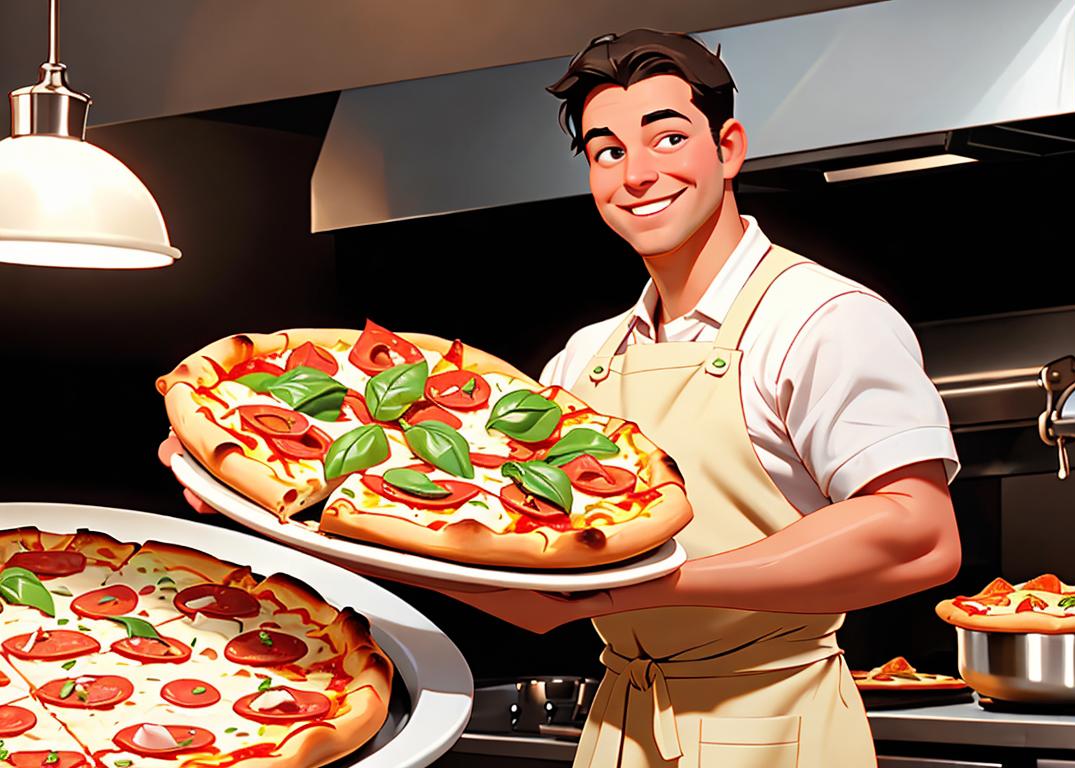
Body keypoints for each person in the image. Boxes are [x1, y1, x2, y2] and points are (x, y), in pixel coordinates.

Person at [161, 28, 962, 767]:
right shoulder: (585, 360)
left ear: (729, 148)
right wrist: (285, 520)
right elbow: (540, 602)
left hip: (779, 727)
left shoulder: (821, 317)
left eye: (669, 138)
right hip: (618, 728)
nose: (637, 173)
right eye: (606, 150)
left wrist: (663, 584)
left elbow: (919, 534)